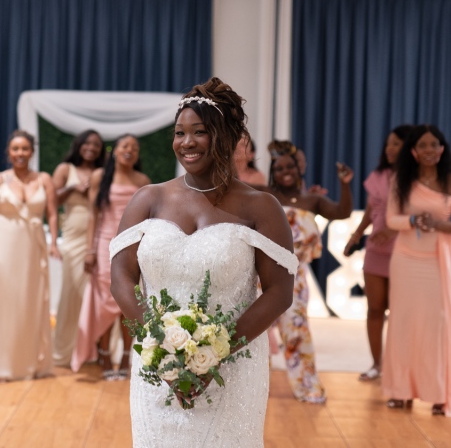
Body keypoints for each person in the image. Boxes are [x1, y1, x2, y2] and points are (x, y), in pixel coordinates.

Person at [110, 78, 297, 447]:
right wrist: (158, 350)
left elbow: (279, 292)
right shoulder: (148, 199)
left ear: (225, 136)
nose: (187, 142)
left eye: (200, 132)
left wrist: (213, 355)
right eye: (180, 133)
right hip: (156, 371)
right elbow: (121, 274)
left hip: (233, 368)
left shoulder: (261, 207)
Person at [383, 124, 451, 417]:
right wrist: (412, 221)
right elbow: (391, 219)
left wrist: (439, 225)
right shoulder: (400, 180)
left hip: (437, 260)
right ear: (414, 151)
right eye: (423, 145)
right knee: (403, 323)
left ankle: (439, 394)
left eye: (435, 145)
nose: (430, 150)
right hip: (406, 258)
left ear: (442, 149)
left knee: (437, 326)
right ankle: (400, 391)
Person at [0, 130, 60, 381]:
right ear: (8, 152)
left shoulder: (44, 179)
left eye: (25, 149)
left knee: (28, 303)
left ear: (32, 151)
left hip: (32, 247)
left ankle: (26, 362)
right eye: (15, 149)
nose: (20, 153)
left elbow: (52, 213)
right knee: (0, 303)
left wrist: (53, 243)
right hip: (0, 246)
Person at [266, 140, 354, 404]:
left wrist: (346, 184)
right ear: (274, 173)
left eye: (290, 167)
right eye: (279, 169)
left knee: (296, 333)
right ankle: (242, 388)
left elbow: (342, 212)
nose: (286, 172)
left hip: (295, 279)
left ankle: (307, 385)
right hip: (262, 275)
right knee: (252, 334)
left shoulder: (312, 200)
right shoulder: (264, 196)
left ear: (299, 168)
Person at [71, 134, 150, 378]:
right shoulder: (99, 177)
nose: (130, 150)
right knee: (106, 304)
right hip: (106, 244)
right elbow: (94, 215)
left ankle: (126, 359)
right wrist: (90, 250)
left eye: (135, 148)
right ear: (114, 150)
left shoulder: (143, 180)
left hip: (134, 246)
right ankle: (105, 358)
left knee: (128, 304)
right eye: (125, 146)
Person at [343, 125, 412, 382]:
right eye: (388, 144)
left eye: (396, 144)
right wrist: (356, 234)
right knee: (374, 309)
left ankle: (398, 366)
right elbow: (372, 210)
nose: (390, 149)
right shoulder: (380, 174)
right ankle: (376, 364)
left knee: (399, 313)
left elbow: (414, 215)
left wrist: (393, 232)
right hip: (375, 249)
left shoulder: (415, 179)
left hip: (404, 250)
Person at [51, 130, 106, 366]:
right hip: (73, 239)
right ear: (79, 145)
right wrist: (73, 188)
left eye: (96, 145)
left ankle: (91, 350)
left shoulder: (104, 173)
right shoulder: (65, 169)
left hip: (99, 237)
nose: (91, 148)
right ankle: (65, 350)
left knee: (93, 295)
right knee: (71, 292)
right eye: (87, 143)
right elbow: (51, 199)